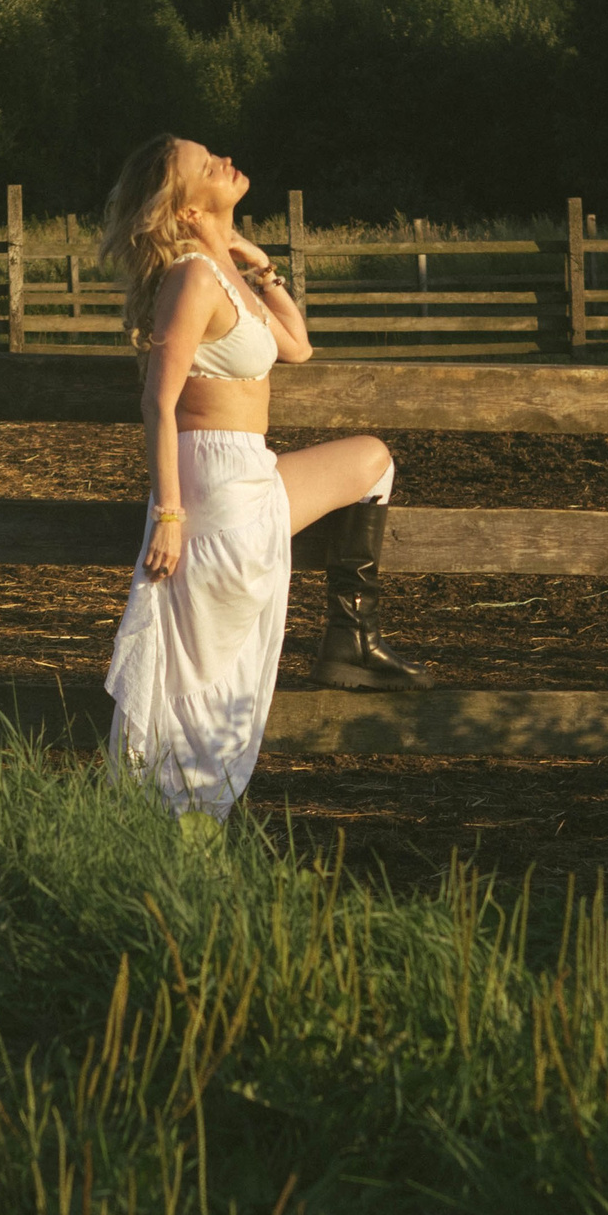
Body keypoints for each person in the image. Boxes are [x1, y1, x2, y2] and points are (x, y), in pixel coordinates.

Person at [100, 133, 432, 821]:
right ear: (188, 209)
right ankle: (176, 821)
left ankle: (351, 636)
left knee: (373, 459)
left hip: (251, 470)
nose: (223, 159)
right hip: (214, 482)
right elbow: (157, 401)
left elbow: (299, 347)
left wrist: (259, 264)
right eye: (205, 163)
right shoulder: (191, 278)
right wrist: (168, 513)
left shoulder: (219, 272)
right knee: (207, 676)